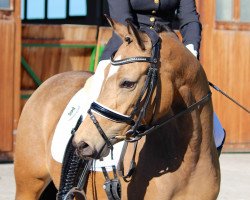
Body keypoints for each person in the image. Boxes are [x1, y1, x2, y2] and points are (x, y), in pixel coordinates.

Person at [98, 0, 225, 153]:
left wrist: (190, 53)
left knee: (216, 134)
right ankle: (77, 167)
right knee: (88, 105)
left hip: (167, 54)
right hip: (127, 53)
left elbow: (190, 19)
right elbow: (124, 21)